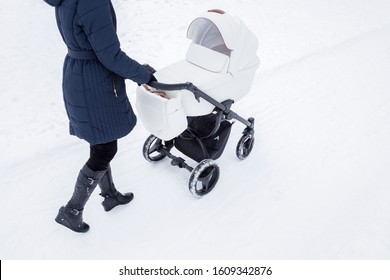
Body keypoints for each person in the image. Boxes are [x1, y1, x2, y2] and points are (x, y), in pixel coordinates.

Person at [44, 0, 156, 233]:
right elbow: (111, 55)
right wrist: (144, 75)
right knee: (105, 149)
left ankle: (110, 195)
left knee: (101, 141)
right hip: (94, 80)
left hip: (78, 72)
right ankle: (71, 211)